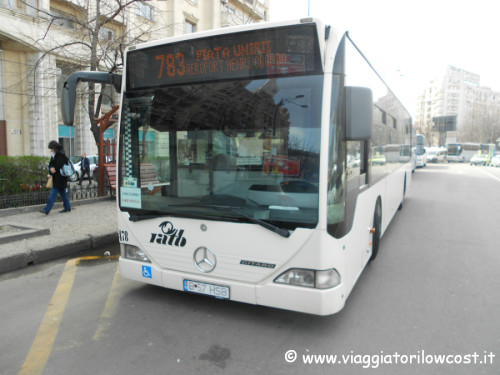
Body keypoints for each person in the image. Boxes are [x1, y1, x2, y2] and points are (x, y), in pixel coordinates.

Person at [40, 140, 72, 215]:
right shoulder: (55, 154)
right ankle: (67, 207)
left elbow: (59, 164)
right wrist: (51, 168)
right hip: (58, 177)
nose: (51, 150)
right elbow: (51, 164)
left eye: (51, 148)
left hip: (60, 177)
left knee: (53, 193)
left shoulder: (60, 154)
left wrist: (53, 168)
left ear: (54, 148)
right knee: (63, 193)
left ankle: (47, 209)